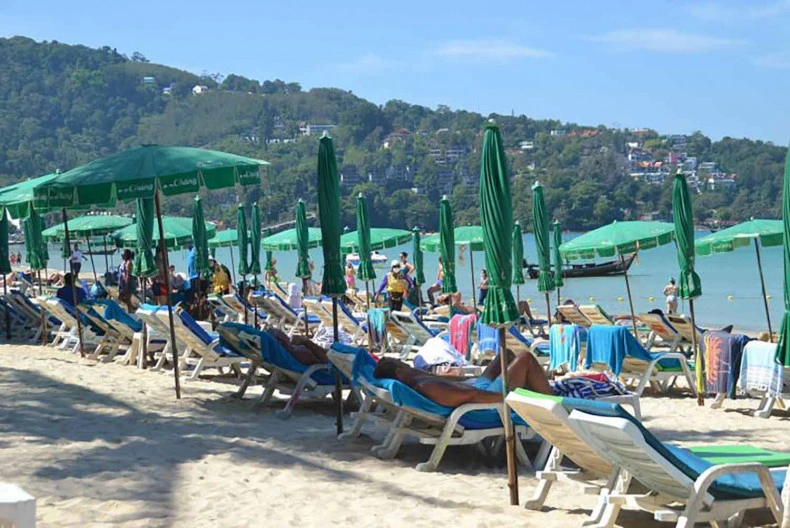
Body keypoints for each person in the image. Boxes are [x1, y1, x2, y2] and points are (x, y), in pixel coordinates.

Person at [374, 349, 627, 407]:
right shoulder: (423, 384)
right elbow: (470, 397)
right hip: (486, 396)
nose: (405, 363)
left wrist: (468, 380)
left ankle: (535, 383)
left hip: (478, 386)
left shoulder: (414, 379)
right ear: (398, 371)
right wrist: (504, 396)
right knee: (525, 357)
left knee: (504, 353)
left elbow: (463, 387)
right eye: (401, 363)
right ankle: (552, 398)